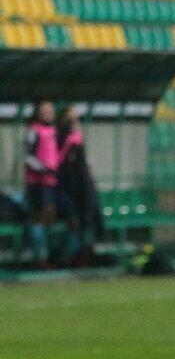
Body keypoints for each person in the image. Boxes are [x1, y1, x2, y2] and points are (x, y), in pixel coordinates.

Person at [54, 105, 101, 267]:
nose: (74, 122)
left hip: (83, 188)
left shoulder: (77, 139)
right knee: (73, 222)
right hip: (66, 188)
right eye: (69, 120)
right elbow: (58, 162)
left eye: (76, 119)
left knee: (87, 221)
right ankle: (66, 259)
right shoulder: (59, 139)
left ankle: (84, 256)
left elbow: (83, 164)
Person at [23, 99, 64, 268]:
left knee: (51, 217)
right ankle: (39, 257)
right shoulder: (33, 130)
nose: (48, 113)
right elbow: (28, 156)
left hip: (52, 182)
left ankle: (50, 256)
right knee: (38, 217)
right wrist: (44, 168)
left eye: (50, 110)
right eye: (44, 110)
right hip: (37, 183)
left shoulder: (55, 130)